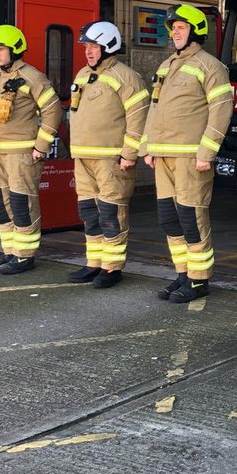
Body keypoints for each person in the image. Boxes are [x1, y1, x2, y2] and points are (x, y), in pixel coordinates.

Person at [141, 5, 232, 303]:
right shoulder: (166, 65)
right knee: (170, 219)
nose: (175, 32)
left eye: (181, 27)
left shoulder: (211, 66)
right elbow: (154, 108)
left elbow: (221, 112)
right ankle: (182, 274)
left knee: (192, 218)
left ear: (195, 31)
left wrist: (207, 151)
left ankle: (199, 279)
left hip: (192, 157)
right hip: (163, 155)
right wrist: (148, 146)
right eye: (173, 28)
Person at [66, 21, 150, 290]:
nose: (88, 52)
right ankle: (94, 262)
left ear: (108, 46)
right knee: (89, 212)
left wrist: (129, 154)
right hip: (84, 157)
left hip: (112, 159)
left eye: (94, 46)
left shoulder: (126, 76)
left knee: (110, 213)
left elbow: (139, 119)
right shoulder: (82, 74)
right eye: (87, 47)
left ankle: (112, 267)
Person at [0, 24, 62, 274]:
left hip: (22, 153)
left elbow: (53, 110)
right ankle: (10, 252)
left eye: (1, 49)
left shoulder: (33, 77)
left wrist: (41, 146)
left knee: (21, 203)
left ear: (15, 49)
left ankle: (25, 256)